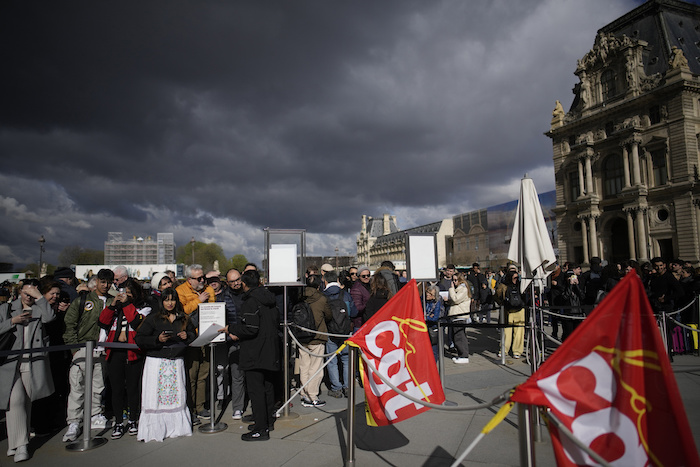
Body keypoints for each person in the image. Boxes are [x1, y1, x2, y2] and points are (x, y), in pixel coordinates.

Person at [220, 269, 280, 441]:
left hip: (255, 351)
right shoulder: (269, 298)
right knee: (267, 387)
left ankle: (260, 429)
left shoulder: (250, 301)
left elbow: (251, 328)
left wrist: (231, 328)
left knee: (256, 390)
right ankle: (266, 422)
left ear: (244, 284)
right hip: (269, 349)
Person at [0, 279, 55, 462]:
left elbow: (50, 318)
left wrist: (40, 297)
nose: (28, 297)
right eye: (26, 293)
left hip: (33, 362)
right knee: (15, 401)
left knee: (27, 402)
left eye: (32, 294)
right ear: (19, 292)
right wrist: (12, 322)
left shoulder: (40, 308)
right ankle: (21, 445)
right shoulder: (6, 309)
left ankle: (15, 444)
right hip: (10, 362)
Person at [135, 288, 195, 442]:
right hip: (156, 362)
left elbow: (193, 334)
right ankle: (154, 430)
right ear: (162, 301)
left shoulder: (184, 318)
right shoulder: (153, 318)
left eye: (172, 299)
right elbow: (140, 338)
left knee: (176, 397)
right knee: (155, 397)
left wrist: (186, 335)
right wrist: (157, 339)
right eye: (166, 300)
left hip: (176, 363)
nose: (170, 303)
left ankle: (177, 427)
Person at [62, 268, 115, 442]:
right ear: (96, 282)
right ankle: (74, 421)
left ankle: (95, 415)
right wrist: (74, 348)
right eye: (103, 282)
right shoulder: (83, 300)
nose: (106, 285)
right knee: (78, 385)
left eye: (108, 282)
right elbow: (70, 323)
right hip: (83, 347)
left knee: (98, 385)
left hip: (102, 348)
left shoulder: (111, 301)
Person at [98, 279, 150, 439]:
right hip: (115, 353)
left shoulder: (144, 308)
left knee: (133, 388)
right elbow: (102, 322)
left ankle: (133, 419)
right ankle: (119, 422)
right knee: (116, 389)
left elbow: (136, 323)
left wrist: (127, 304)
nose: (124, 296)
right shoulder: (115, 308)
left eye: (128, 293)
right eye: (123, 293)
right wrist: (113, 305)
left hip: (133, 353)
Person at [176, 264, 215, 424]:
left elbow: (213, 308)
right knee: (191, 375)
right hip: (191, 338)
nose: (202, 280)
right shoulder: (180, 291)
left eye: (203, 277)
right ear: (189, 279)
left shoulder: (208, 290)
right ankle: (190, 408)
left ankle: (200, 407)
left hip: (207, 335)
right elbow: (181, 312)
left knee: (203, 375)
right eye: (198, 278)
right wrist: (198, 301)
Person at [322, 271, 357, 398]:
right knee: (346, 359)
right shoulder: (346, 295)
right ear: (336, 280)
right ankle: (347, 386)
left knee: (332, 360)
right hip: (345, 331)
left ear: (325, 280)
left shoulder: (323, 295)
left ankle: (336, 388)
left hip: (330, 331)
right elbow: (353, 312)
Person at [298, 274, 331, 407]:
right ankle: (312, 395)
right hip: (317, 336)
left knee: (304, 366)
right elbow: (328, 315)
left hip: (301, 336)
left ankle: (304, 393)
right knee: (316, 368)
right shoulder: (322, 299)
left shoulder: (300, 297)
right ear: (319, 285)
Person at [220, 268, 246, 419]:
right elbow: (221, 320)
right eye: (232, 281)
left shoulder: (248, 293)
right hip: (233, 341)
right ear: (227, 283)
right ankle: (238, 407)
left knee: (252, 374)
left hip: (249, 339)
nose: (236, 283)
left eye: (238, 279)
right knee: (236, 375)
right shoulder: (224, 297)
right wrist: (230, 334)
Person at [495, 270, 526, 358]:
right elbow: (497, 296)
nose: (517, 279)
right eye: (515, 278)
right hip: (508, 310)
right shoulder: (504, 286)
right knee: (506, 332)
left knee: (519, 332)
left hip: (520, 309)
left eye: (517, 277)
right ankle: (504, 349)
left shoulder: (521, 285)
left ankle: (517, 351)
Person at [448, 272, 471, 364]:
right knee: (457, 336)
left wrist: (451, 289)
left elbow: (456, 299)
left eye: (455, 280)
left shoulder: (463, 289)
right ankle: (461, 354)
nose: (454, 282)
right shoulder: (460, 289)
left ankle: (464, 355)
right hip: (456, 315)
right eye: (453, 280)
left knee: (459, 336)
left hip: (460, 315)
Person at [424, 284, 445, 361]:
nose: (428, 295)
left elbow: (435, 317)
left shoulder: (437, 303)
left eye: (430, 294)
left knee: (434, 348)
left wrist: (426, 317)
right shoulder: (424, 300)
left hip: (434, 328)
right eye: (427, 292)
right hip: (426, 326)